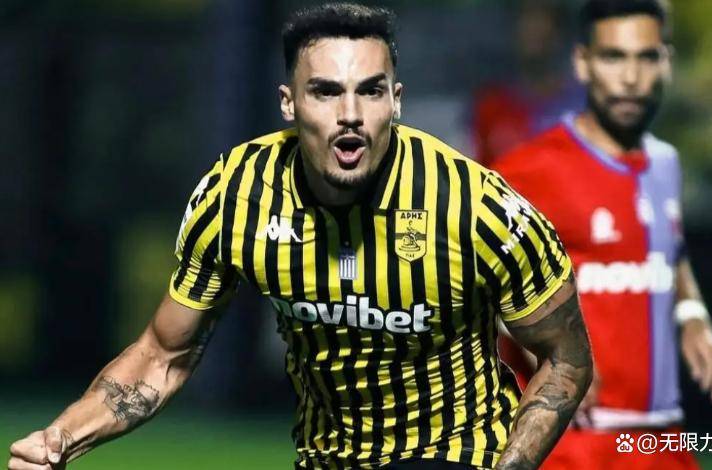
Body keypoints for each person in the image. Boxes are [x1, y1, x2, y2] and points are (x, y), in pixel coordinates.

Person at [8, 4, 592, 470]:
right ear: (289, 103)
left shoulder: (474, 205)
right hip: (323, 456)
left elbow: (566, 359)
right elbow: (164, 355)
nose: (350, 114)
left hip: (455, 453)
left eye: (370, 90)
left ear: (396, 101)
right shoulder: (238, 195)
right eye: (326, 91)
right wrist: (60, 439)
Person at [493, 1, 712, 468]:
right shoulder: (529, 171)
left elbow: (670, 249)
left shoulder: (666, 164)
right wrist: (548, 346)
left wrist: (692, 312)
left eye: (647, 57)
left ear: (667, 62)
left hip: (661, 441)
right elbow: (473, 279)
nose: (631, 77)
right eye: (613, 57)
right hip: (575, 443)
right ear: (582, 62)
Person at [471, 0, 583, 169]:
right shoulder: (491, 106)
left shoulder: (582, 107)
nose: (534, 29)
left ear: (558, 32)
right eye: (527, 19)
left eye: (542, 19)